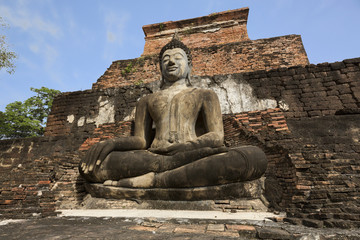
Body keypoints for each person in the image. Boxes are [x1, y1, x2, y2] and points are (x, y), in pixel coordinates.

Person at [79, 37, 267, 188]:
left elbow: (217, 137)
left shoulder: (205, 95)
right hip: (154, 157)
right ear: (160, 68)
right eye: (165, 59)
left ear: (189, 65)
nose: (171, 62)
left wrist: (188, 147)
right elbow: (141, 141)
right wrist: (111, 144)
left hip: (193, 152)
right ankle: (167, 175)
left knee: (254, 157)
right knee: (93, 167)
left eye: (177, 57)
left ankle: (155, 181)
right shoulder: (146, 100)